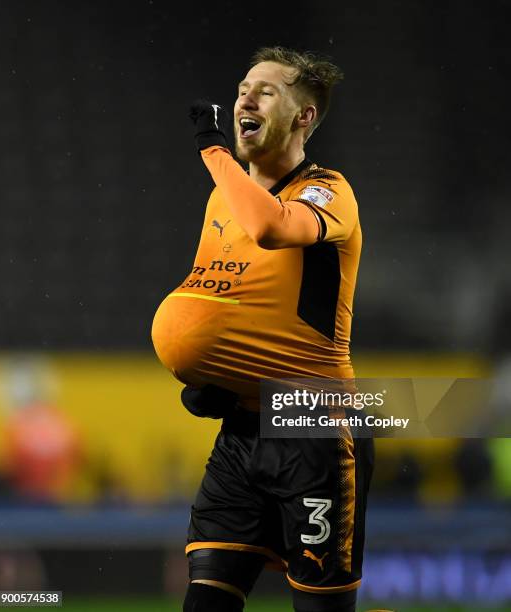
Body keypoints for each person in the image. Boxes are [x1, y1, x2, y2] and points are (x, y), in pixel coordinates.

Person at [152, 46, 373, 612]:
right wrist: (216, 373)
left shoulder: (328, 191)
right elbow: (216, 290)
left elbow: (273, 229)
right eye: (244, 85)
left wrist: (212, 149)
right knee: (206, 599)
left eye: (267, 90)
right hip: (242, 434)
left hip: (313, 427)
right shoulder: (220, 201)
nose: (246, 96)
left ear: (304, 117)